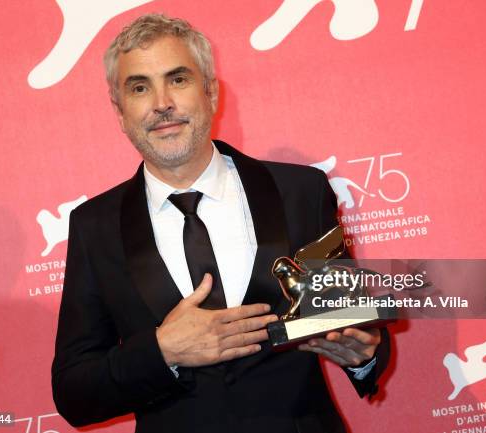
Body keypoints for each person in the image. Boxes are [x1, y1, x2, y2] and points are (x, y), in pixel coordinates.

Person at [52, 13, 390, 433]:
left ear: (210, 92)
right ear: (121, 112)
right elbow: (74, 392)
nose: (161, 103)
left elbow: (349, 317)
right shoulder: (94, 226)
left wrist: (364, 354)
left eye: (178, 79)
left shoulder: (300, 190)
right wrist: (162, 351)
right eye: (139, 87)